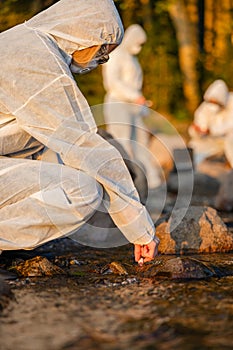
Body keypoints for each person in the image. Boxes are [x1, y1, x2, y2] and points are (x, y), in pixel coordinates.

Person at [0, 0, 159, 265]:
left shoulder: (22, 43)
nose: (100, 61)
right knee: (81, 191)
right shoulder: (36, 61)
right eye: (103, 52)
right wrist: (140, 229)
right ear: (89, 33)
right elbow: (84, 147)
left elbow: (39, 148)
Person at [102, 24, 162, 190]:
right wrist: (134, 96)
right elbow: (113, 82)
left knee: (141, 141)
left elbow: (136, 85)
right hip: (118, 104)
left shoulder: (132, 59)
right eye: (138, 43)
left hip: (134, 107)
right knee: (122, 141)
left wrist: (140, 103)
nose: (139, 47)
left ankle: (150, 181)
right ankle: (124, 182)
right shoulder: (116, 55)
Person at [188, 79, 233, 167]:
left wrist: (212, 130)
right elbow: (198, 126)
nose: (213, 105)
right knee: (193, 147)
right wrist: (196, 131)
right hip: (211, 141)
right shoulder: (204, 108)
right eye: (211, 102)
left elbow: (230, 125)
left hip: (227, 139)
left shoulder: (231, 103)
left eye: (216, 102)